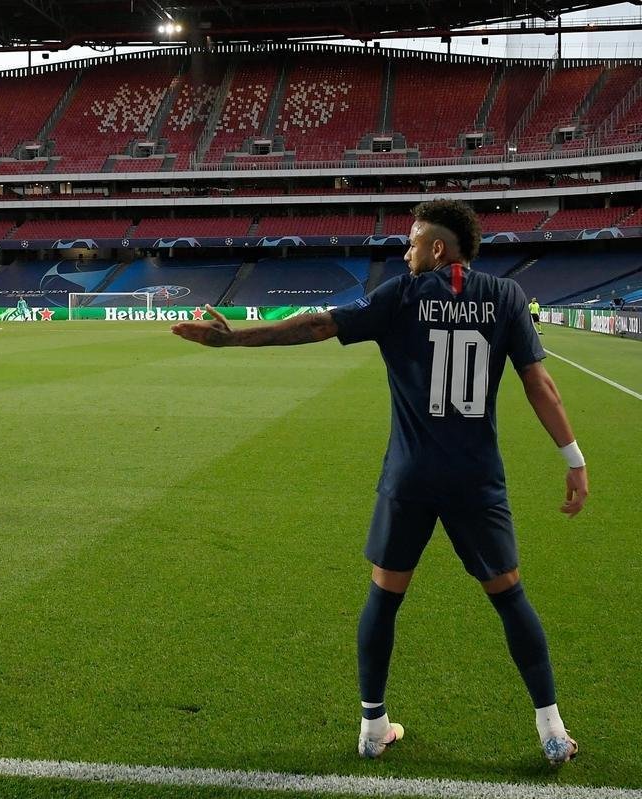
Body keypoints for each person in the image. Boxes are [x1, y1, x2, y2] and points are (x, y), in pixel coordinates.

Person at [171, 199, 588, 766]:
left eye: (412, 242)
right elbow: (539, 383)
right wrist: (573, 458)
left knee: (384, 598)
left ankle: (372, 727)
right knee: (510, 597)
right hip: (475, 478)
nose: (405, 251)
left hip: (410, 476)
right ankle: (552, 730)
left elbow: (319, 325)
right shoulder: (507, 296)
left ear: (438, 248)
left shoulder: (402, 296)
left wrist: (235, 339)